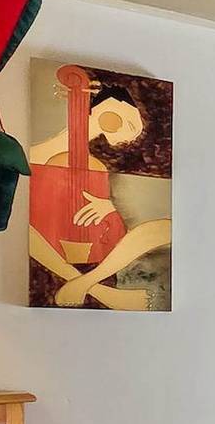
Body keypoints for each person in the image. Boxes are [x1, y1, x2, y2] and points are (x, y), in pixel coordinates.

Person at [27, 81, 173, 309]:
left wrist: (109, 206)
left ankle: (88, 284)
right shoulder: (44, 158)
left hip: (102, 249)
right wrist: (88, 119)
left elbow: (159, 230)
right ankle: (98, 290)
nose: (132, 135)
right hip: (53, 254)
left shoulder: (111, 168)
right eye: (132, 124)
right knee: (26, 228)